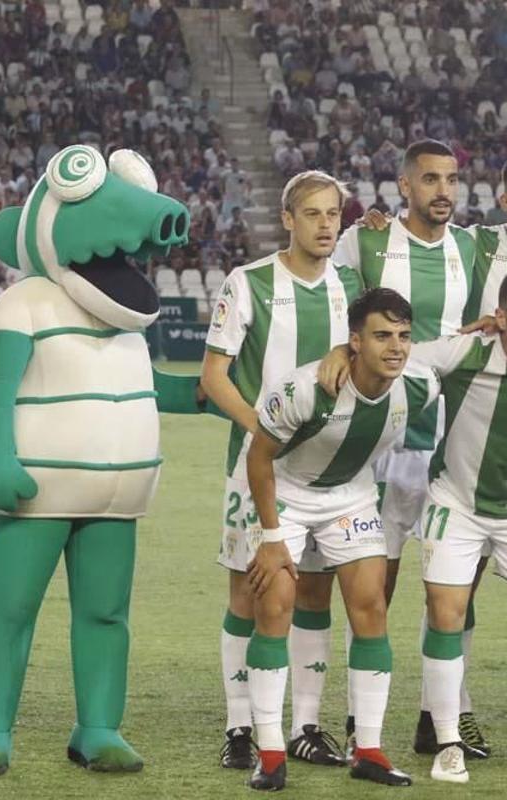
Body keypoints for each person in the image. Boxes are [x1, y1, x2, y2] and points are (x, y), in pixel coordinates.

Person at [321, 268, 507, 783]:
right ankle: (447, 743)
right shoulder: (465, 352)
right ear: (500, 318)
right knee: (447, 614)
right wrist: (339, 352)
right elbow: (391, 354)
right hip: (454, 502)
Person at [331, 139, 490, 756]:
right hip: (384, 441)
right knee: (376, 585)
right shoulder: (366, 243)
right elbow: (329, 303)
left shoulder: (474, 247)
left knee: (455, 585)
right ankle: (355, 722)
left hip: (455, 438)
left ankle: (438, 716)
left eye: (451, 178)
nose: (443, 190)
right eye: (429, 179)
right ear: (404, 186)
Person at [239, 289, 434, 790]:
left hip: (349, 497)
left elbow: (450, 351)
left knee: (371, 607)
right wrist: (271, 536)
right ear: (354, 341)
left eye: (404, 336)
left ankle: (367, 748)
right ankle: (271, 753)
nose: (396, 347)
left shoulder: (418, 385)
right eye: (382, 336)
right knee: (276, 606)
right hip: (285, 492)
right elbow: (258, 458)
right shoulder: (306, 388)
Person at [202, 171, 362, 772]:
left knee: (315, 593)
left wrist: (346, 350)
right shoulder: (249, 283)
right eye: (313, 214)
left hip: (328, 470)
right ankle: (240, 724)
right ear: (288, 218)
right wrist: (263, 431)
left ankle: (307, 725)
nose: (326, 225)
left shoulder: (351, 285)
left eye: (334, 215)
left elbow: (371, 347)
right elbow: (212, 378)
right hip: (257, 465)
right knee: (251, 590)